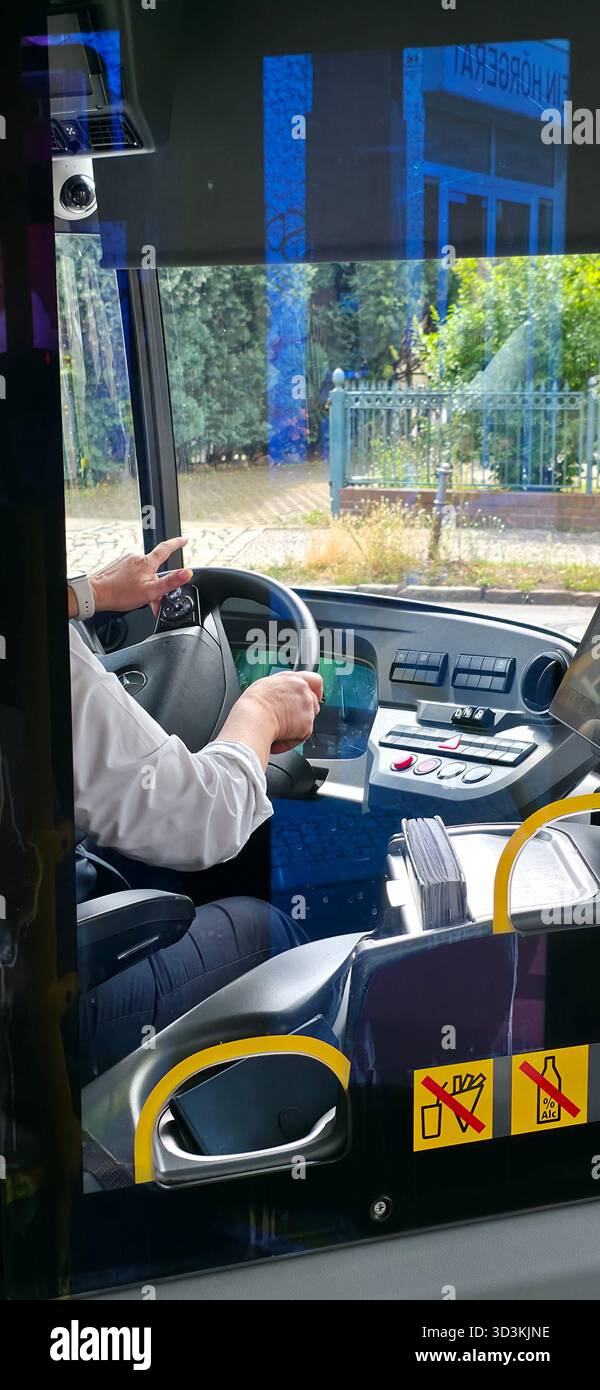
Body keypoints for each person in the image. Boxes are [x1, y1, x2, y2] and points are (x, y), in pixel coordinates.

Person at [68, 537, 323, 1080]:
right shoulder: (37, 660)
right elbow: (199, 818)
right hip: (39, 1013)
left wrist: (87, 596)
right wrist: (262, 712)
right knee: (269, 932)